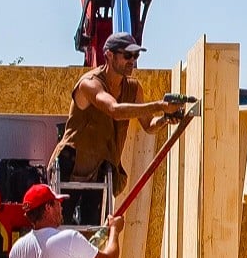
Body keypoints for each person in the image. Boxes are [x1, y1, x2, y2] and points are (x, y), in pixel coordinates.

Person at [52, 33, 170, 188]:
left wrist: (166, 118)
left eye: (136, 55)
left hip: (101, 166)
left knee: (97, 213)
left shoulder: (133, 88)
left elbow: (149, 125)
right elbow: (114, 110)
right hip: (72, 164)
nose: (132, 61)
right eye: (127, 55)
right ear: (109, 55)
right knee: (62, 213)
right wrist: (160, 106)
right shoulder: (90, 83)